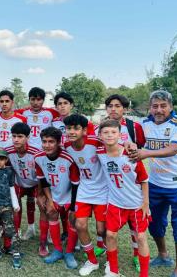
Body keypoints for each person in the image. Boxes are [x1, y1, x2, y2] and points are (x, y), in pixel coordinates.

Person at [127, 90, 177, 277]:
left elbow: (173, 149)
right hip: (155, 184)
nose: (159, 110)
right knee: (155, 224)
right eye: (155, 106)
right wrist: (132, 146)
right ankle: (163, 255)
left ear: (171, 107)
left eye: (163, 106)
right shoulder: (144, 124)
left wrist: (145, 153)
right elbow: (133, 142)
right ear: (150, 107)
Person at [98, 94, 146, 272]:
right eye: (110, 105)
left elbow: (141, 150)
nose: (113, 109)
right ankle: (105, 251)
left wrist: (129, 146)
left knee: (136, 228)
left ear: (124, 108)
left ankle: (136, 256)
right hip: (110, 178)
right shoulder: (101, 126)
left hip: (130, 176)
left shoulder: (135, 126)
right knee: (107, 221)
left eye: (117, 106)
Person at [64, 114, 108, 271]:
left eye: (76, 128)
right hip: (84, 189)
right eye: (69, 128)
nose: (72, 131)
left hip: (102, 190)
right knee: (80, 225)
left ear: (84, 130)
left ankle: (110, 262)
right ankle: (92, 261)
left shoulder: (96, 143)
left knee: (102, 230)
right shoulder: (67, 145)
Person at [34, 127, 80, 267]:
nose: (47, 145)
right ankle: (58, 250)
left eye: (51, 142)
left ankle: (69, 252)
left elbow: (75, 184)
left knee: (73, 221)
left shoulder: (68, 159)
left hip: (70, 195)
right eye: (44, 141)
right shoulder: (38, 158)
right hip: (53, 195)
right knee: (52, 215)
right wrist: (49, 200)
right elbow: (43, 181)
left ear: (59, 142)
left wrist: (73, 207)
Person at [5, 122, 40, 242]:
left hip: (35, 183)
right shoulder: (8, 152)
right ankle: (17, 230)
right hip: (19, 182)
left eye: (20, 136)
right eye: (14, 136)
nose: (16, 139)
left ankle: (31, 228)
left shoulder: (36, 153)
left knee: (33, 204)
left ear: (28, 137)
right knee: (16, 206)